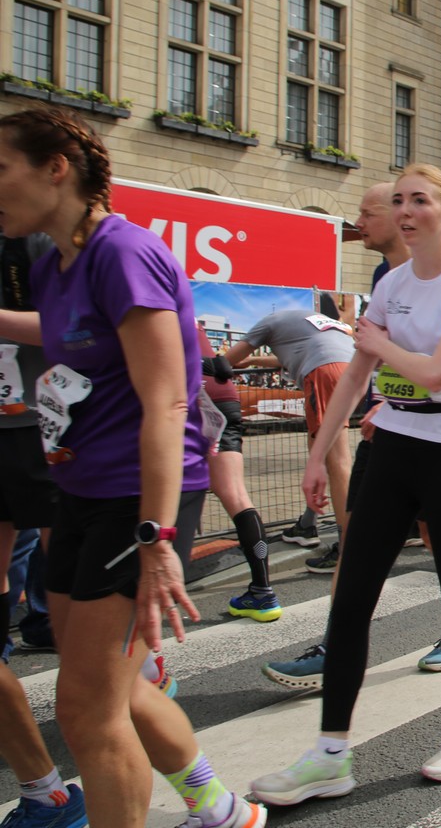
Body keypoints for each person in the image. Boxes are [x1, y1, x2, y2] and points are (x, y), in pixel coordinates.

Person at [0, 107, 265, 827]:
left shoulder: (124, 252)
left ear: (56, 168)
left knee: (87, 711)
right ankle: (219, 807)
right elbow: (63, 335)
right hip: (78, 491)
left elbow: (167, 402)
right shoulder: (51, 264)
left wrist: (157, 538)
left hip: (137, 500)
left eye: (1, 168)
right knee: (117, 688)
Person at [251, 163, 441, 806]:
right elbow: (358, 374)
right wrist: (317, 454)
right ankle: (330, 754)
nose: (405, 210)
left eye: (420, 200)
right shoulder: (392, 283)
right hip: (389, 447)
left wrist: (378, 342)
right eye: (399, 201)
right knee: (352, 600)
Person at [0, 230, 87, 826]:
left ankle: (208, 801)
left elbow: (75, 329)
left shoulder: (31, 238)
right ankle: (44, 793)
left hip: (43, 432)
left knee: (81, 615)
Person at [226, 309, 354, 578]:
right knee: (317, 450)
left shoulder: (267, 322)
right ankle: (307, 525)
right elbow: (287, 355)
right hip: (350, 369)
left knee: (337, 461)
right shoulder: (307, 321)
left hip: (324, 372)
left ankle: (348, 549)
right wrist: (255, 360)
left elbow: (227, 361)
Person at [194, 322, 281, 621]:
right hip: (222, 394)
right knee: (235, 493)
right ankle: (263, 590)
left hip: (191, 392)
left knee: (166, 488)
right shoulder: (191, 320)